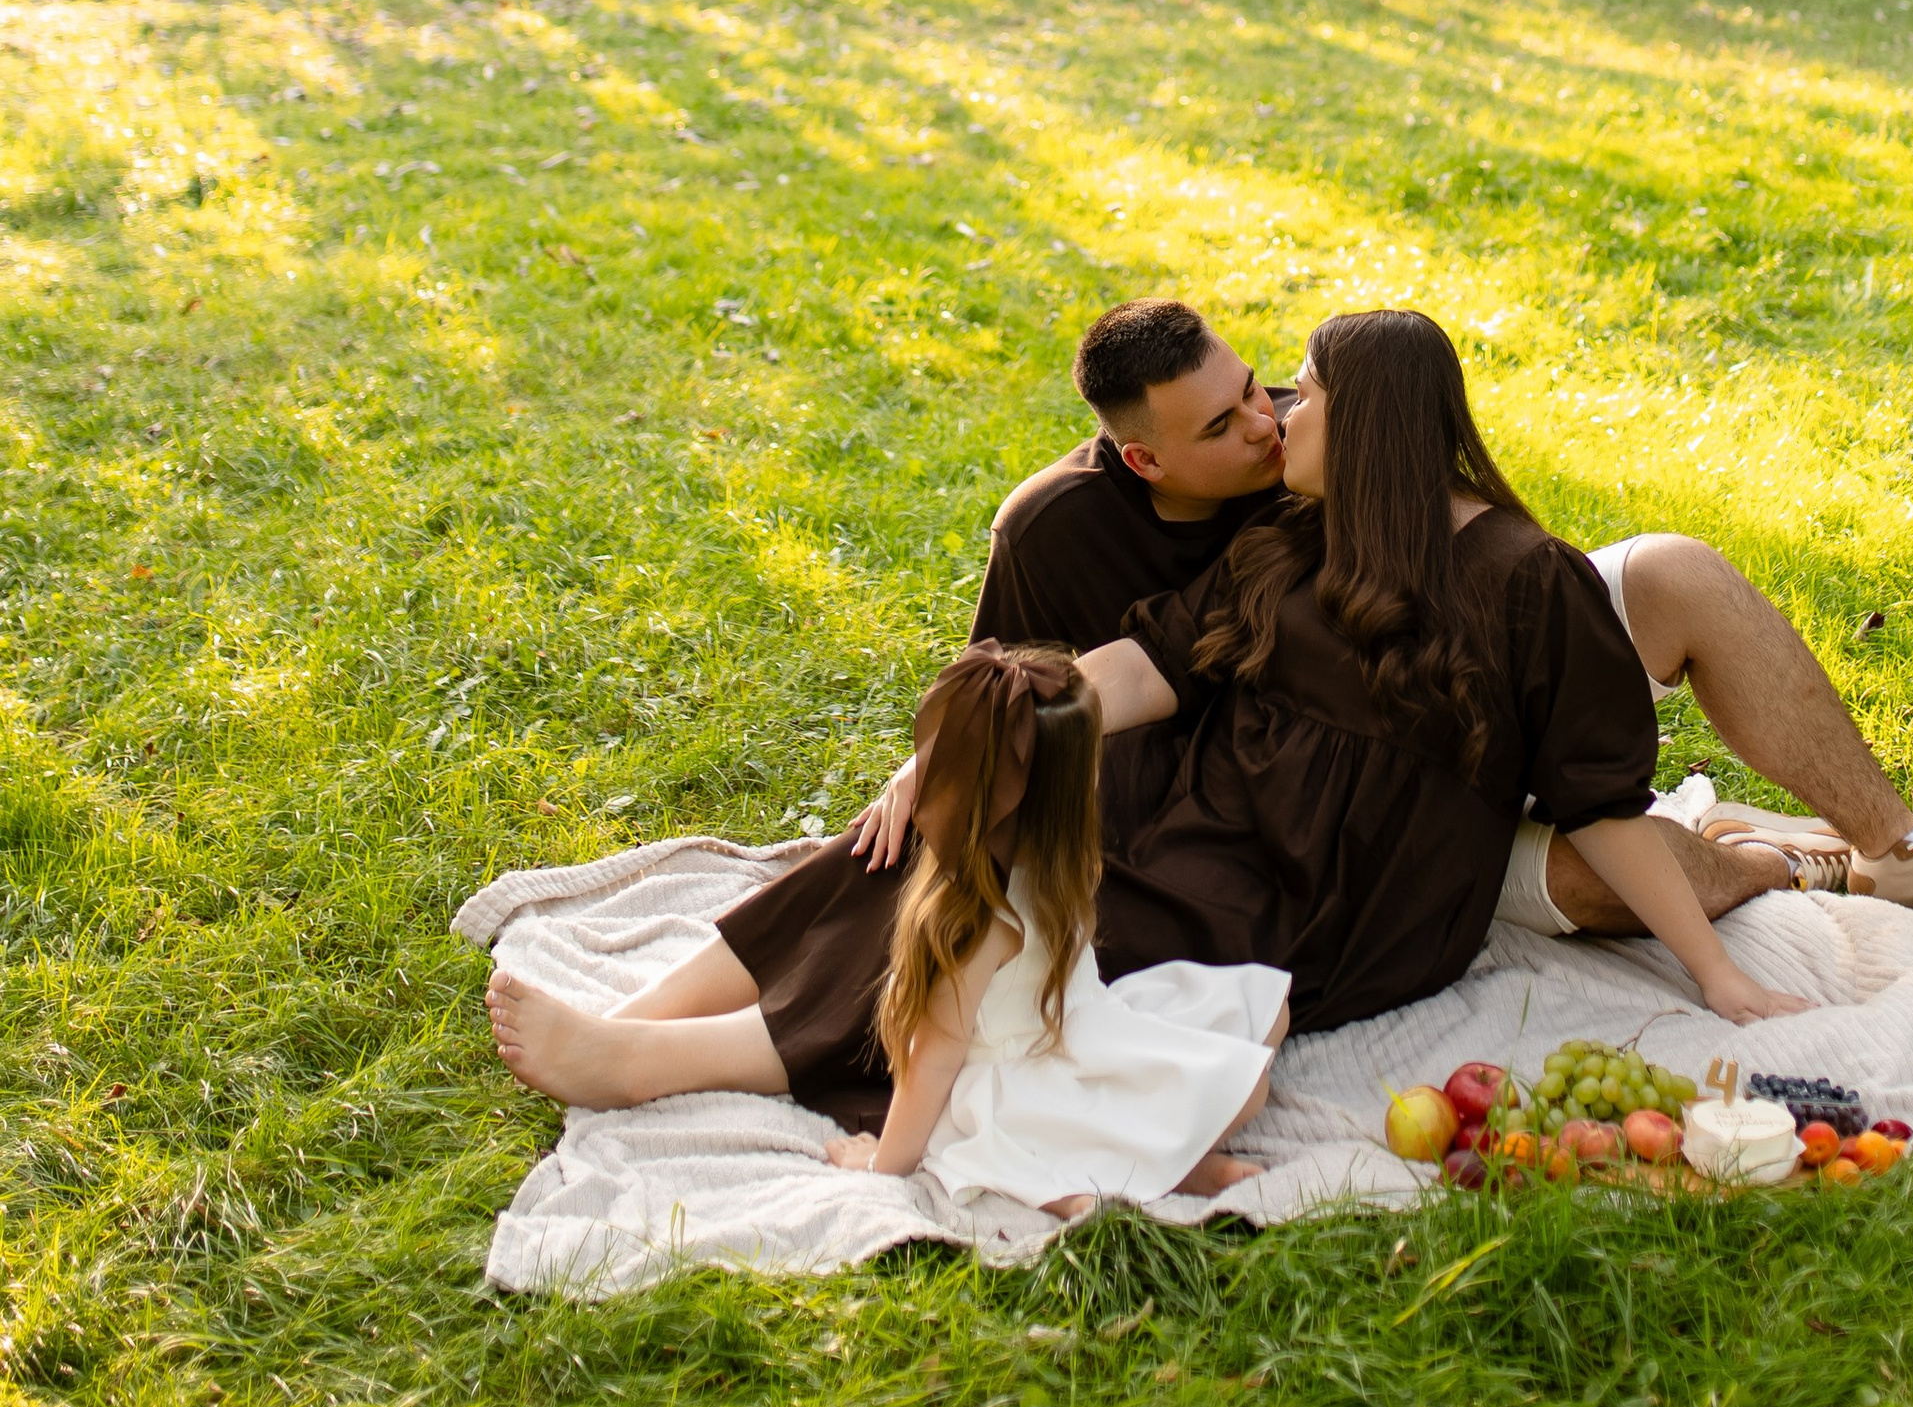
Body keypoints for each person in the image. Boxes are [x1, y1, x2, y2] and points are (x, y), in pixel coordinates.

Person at [484, 305, 1810, 1129]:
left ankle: (675, 1064)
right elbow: (1141, 666)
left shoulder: (1529, 584)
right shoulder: (1295, 541)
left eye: (1300, 392)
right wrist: (976, 737)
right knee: (984, 813)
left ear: (1383, 428)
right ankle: (659, 1006)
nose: (1280, 411)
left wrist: (1716, 976)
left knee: (1033, 934)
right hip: (1215, 821)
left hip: (1341, 899)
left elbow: (1602, 803)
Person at [862, 299, 1913, 938]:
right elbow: (1023, 677)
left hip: (1449, 660)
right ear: (1143, 458)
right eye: (1224, 429)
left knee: (1674, 571)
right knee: (1591, 882)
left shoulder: (1302, 436)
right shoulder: (1054, 528)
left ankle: (1899, 843)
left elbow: (1453, 517)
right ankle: (1786, 868)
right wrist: (941, 761)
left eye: (1266, 389)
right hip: (1321, 785)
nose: (1267, 426)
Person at [821, 642, 1289, 1214]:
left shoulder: (1012, 897)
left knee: (1256, 1009)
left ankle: (1141, 1170)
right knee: (1249, 1026)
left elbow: (945, 1055)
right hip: (1054, 1063)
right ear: (1067, 801)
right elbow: (943, 1055)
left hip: (1054, 1059)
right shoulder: (1024, 897)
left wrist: (880, 1162)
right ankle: (1168, 1165)